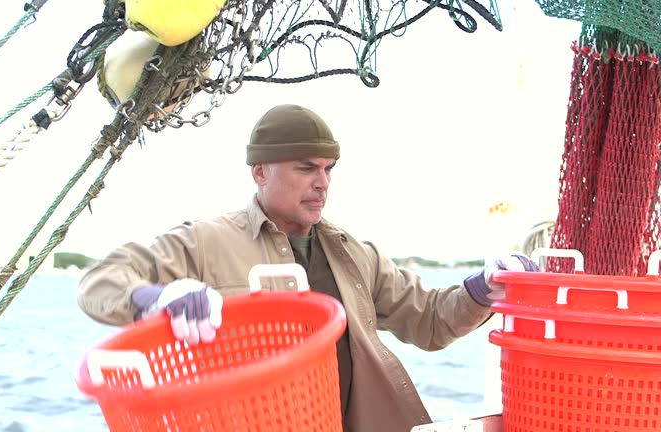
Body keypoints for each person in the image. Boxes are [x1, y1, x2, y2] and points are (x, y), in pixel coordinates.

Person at [78, 104, 539, 432]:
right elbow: (100, 281)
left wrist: (485, 288)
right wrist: (155, 298)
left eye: (328, 169)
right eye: (305, 168)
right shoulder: (204, 240)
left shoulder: (354, 252)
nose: (322, 183)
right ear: (259, 172)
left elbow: (430, 322)